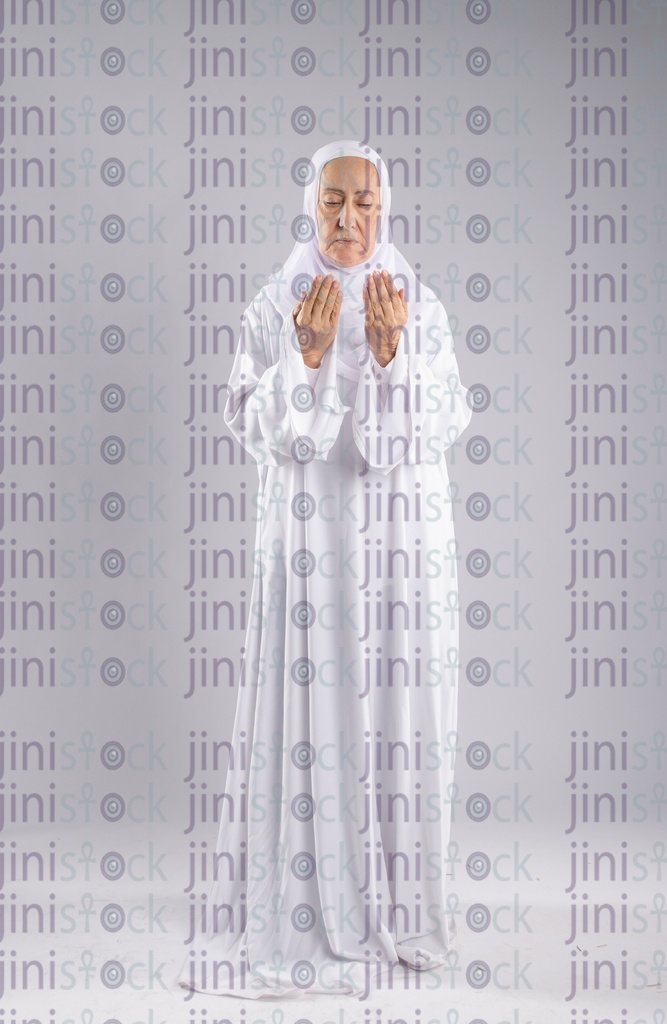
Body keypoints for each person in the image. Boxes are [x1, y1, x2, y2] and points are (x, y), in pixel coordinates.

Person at [179, 140, 473, 999]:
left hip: (399, 542)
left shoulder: (418, 303)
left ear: (386, 210)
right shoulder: (278, 302)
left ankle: (393, 893)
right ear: (310, 205)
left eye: (366, 205)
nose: (349, 220)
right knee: (314, 688)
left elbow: (437, 423)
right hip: (310, 541)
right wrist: (304, 358)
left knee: (391, 694)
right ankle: (307, 887)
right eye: (334, 202)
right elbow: (250, 422)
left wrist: (391, 356)